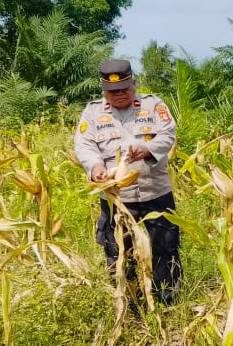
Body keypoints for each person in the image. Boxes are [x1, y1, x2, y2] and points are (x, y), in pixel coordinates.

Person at [74, 59, 182, 305]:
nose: (119, 94)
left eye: (124, 88)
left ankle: (168, 300)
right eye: (112, 91)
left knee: (164, 247)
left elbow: (168, 134)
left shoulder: (153, 105)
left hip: (155, 192)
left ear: (133, 83)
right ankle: (131, 303)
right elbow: (84, 145)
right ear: (104, 91)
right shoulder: (92, 112)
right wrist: (96, 167)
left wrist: (147, 149)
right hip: (116, 200)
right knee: (119, 251)